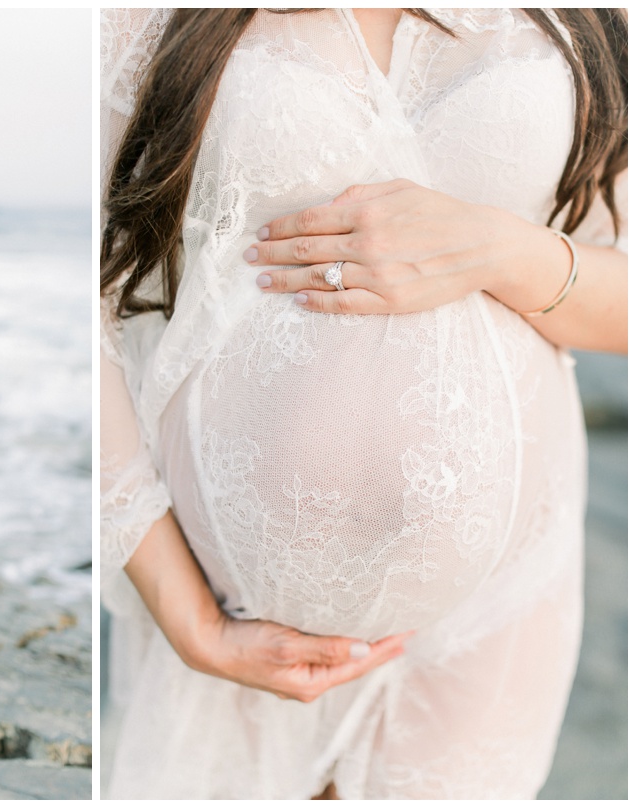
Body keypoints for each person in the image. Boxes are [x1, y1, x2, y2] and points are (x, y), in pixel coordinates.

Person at [100, 8, 626, 800]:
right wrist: (190, 621)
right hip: (223, 604)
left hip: (494, 607)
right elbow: (88, 295)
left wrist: (499, 248)